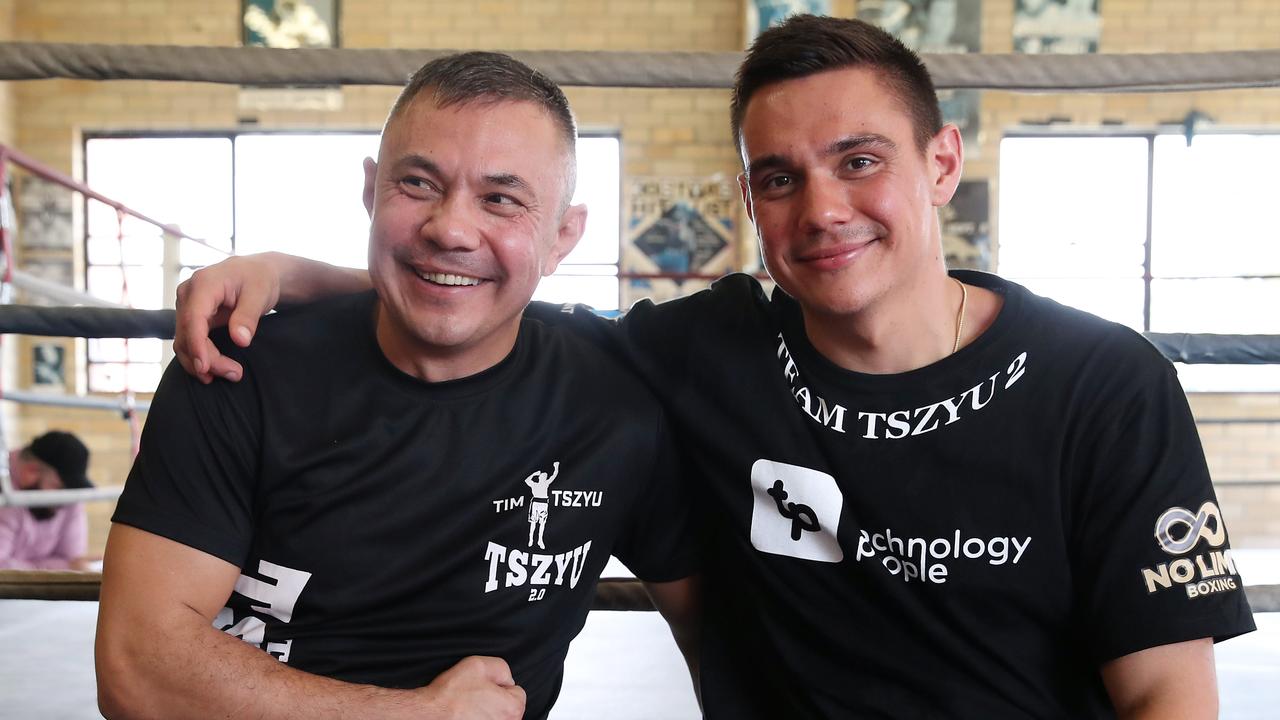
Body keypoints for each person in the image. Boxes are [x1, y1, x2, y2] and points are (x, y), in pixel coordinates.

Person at [174, 15, 1256, 719]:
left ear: (941, 164)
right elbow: (484, 298)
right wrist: (295, 272)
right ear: (748, 203)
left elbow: (1169, 693)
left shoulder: (1103, 383)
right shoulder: (696, 351)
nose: (821, 209)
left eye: (859, 162)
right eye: (778, 177)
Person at [95, 51, 699, 720]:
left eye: (501, 199)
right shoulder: (239, 369)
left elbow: (716, 635)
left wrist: (291, 268)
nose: (451, 228)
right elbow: (138, 670)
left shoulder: (618, 401)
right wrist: (418, 714)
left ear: (563, 236)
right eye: (417, 185)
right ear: (370, 192)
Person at [0, 431, 93, 570]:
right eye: (58, 487)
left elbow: (73, 559)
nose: (66, 500)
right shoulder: (5, 497)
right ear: (30, 472)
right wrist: (61, 567)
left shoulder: (70, 497)